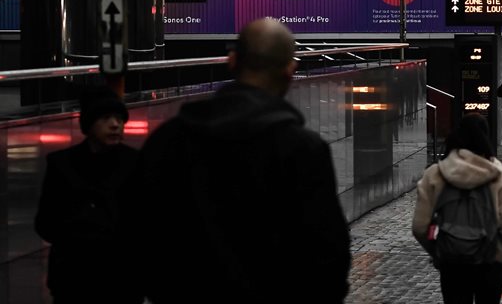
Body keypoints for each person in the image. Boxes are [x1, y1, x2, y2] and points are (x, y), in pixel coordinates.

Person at [136, 18, 350, 303]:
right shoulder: (303, 150)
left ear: (232, 60)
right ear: (290, 71)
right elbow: (327, 253)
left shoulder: (171, 139)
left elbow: (139, 233)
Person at [34, 88, 142, 304]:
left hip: (120, 281)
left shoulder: (136, 163)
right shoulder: (61, 165)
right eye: (106, 119)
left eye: (120, 119)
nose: (115, 124)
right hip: (75, 279)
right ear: (89, 124)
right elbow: (46, 222)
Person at [412, 115, 502, 304]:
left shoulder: (436, 174)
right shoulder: (500, 176)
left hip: (452, 261)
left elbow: (420, 227)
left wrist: (438, 251)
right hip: (490, 260)